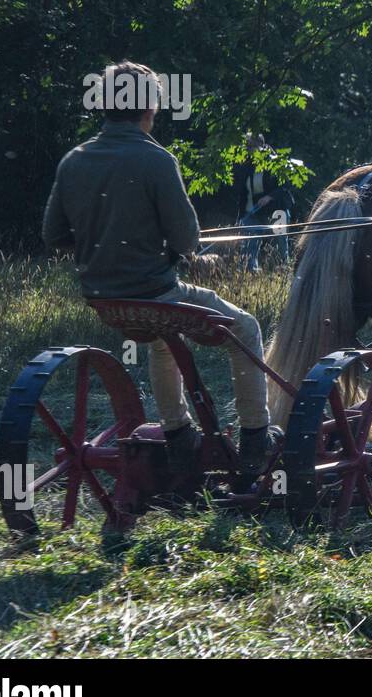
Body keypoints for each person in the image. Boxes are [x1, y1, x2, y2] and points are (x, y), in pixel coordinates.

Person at [42, 61, 281, 480]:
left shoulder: (73, 161)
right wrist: (177, 254)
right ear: (148, 106)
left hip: (104, 297)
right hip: (156, 293)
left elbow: (54, 235)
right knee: (245, 328)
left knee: (160, 341)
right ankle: (256, 438)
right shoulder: (156, 160)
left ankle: (178, 435)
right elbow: (188, 243)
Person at [232, 132, 293, 271]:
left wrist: (269, 197)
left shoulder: (275, 162)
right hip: (252, 211)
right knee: (249, 244)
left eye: (251, 146)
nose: (248, 149)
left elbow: (286, 186)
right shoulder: (245, 165)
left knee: (281, 242)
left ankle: (284, 270)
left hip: (277, 208)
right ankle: (249, 272)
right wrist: (241, 216)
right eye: (247, 146)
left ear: (261, 145)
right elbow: (242, 192)